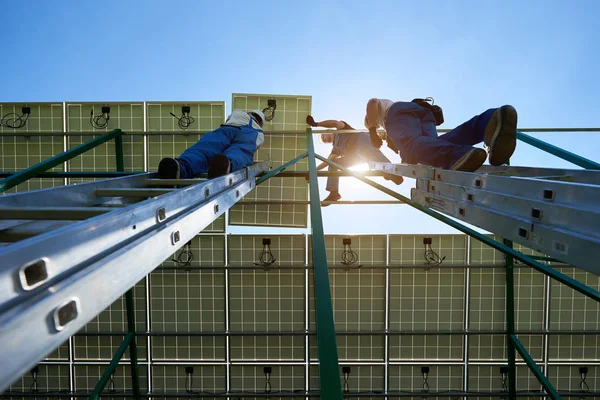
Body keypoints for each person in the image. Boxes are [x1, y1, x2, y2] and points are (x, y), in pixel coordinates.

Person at [364, 99, 518, 172]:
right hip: (422, 112)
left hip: (398, 113)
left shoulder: (378, 116)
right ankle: (489, 121)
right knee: (432, 146)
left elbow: (372, 102)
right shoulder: (391, 122)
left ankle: (457, 156)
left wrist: (371, 130)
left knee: (411, 150)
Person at [306, 115, 403, 205]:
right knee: (333, 164)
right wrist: (313, 171)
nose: (323, 139)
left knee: (375, 156)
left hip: (361, 141)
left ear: (329, 131)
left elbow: (335, 123)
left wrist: (316, 124)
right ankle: (334, 193)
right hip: (356, 156)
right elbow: (326, 162)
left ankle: (393, 173)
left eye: (323, 136)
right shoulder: (335, 149)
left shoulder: (341, 129)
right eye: (322, 141)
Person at [158, 109, 265, 179]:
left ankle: (180, 167)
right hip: (248, 136)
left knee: (205, 148)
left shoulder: (238, 113)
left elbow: (228, 119)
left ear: (250, 113)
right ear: (261, 123)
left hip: (227, 129)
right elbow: (255, 147)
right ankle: (226, 165)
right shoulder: (260, 133)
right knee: (240, 152)